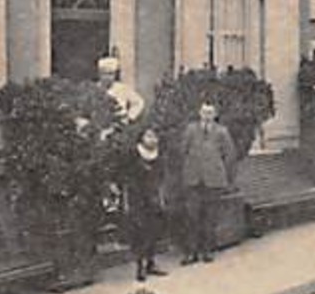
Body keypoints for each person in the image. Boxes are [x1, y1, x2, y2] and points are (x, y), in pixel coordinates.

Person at [179, 102, 237, 264]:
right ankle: (191, 252)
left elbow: (230, 155)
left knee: (210, 217)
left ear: (215, 114)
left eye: (210, 112)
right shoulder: (190, 129)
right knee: (192, 216)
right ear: (199, 113)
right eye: (204, 112)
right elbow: (182, 151)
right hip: (193, 179)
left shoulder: (221, 131)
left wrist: (222, 174)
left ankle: (208, 250)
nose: (207, 115)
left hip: (213, 180)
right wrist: (189, 169)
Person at [121, 127, 168, 282]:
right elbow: (125, 176)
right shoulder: (133, 154)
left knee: (153, 230)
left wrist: (161, 196)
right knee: (139, 231)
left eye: (154, 136)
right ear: (141, 138)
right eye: (148, 136)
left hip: (153, 197)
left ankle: (151, 262)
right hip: (137, 197)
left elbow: (161, 176)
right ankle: (140, 265)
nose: (152, 139)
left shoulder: (159, 155)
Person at [97, 55, 145, 126]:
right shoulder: (94, 88)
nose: (107, 77)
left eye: (110, 74)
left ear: (115, 75)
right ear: (99, 74)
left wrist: (129, 117)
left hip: (119, 125)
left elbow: (139, 102)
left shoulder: (122, 89)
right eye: (104, 74)